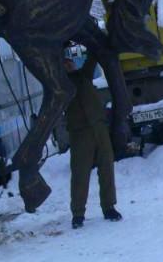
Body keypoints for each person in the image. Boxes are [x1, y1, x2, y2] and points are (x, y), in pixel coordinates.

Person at [63, 56, 122, 229]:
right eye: (65, 63)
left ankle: (109, 207)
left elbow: (92, 58)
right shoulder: (60, 84)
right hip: (80, 133)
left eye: (70, 62)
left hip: (99, 129)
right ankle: (78, 214)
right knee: (80, 173)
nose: (69, 64)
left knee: (106, 168)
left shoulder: (84, 75)